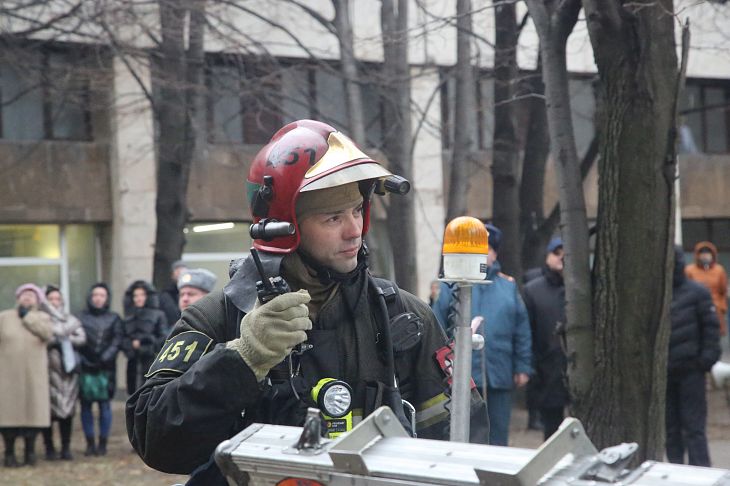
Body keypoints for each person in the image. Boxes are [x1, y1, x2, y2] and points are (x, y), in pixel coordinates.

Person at [126, 119, 488, 484]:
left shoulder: (404, 318)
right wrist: (241, 361)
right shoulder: (218, 318)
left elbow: (462, 443)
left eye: (357, 211)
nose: (354, 231)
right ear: (285, 227)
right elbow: (154, 439)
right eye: (333, 217)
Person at [431, 223, 532, 446]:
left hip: (499, 372)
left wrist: (523, 366)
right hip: (461, 375)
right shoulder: (452, 286)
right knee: (465, 431)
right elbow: (436, 323)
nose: (482, 255)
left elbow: (521, 329)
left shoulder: (508, 286)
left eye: (487, 249)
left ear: (495, 254)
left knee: (497, 434)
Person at [667, 246, 721, 466]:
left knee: (694, 429)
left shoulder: (698, 293)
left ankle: (701, 473)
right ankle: (675, 473)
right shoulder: (654, 296)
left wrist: (704, 362)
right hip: (666, 373)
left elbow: (711, 330)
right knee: (671, 430)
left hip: (692, 372)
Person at [0, 284, 54, 467]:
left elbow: (47, 334)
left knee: (33, 415)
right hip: (8, 376)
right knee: (8, 417)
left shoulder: (43, 318)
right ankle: (9, 452)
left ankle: (30, 452)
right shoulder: (4, 317)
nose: (27, 297)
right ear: (18, 297)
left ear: (38, 300)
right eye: (24, 294)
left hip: (33, 376)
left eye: (31, 294)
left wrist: (27, 317)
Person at [522, 237, 569, 440]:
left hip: (578, 367)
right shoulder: (533, 290)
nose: (561, 258)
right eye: (556, 253)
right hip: (547, 369)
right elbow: (527, 332)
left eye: (566, 253)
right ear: (548, 257)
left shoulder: (583, 288)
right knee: (552, 431)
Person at [78, 283, 123, 456]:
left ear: (107, 298)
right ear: (90, 297)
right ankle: (90, 442)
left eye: (102, 295)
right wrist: (85, 360)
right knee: (86, 406)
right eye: (95, 294)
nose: (98, 298)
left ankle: (103, 443)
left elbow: (117, 340)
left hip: (106, 368)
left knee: (105, 406)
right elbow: (76, 341)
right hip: (85, 367)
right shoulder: (81, 317)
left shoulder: (114, 318)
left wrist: (104, 358)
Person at [42, 286, 86, 461]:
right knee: (47, 413)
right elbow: (42, 339)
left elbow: (82, 338)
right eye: (51, 298)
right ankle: (49, 448)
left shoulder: (70, 319)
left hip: (68, 374)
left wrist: (64, 338)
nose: (54, 302)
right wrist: (56, 339)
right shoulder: (42, 319)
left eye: (57, 298)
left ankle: (66, 447)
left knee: (67, 411)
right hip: (47, 373)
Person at [122, 280, 168, 396]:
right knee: (133, 392)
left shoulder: (158, 315)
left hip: (151, 360)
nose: (139, 298)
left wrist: (147, 343)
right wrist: (130, 346)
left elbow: (163, 337)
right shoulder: (128, 316)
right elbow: (123, 337)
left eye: (142, 295)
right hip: (133, 360)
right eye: (135, 295)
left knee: (149, 392)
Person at [685, 241, 728, 337]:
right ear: (697, 255)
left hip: (715, 309)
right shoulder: (690, 270)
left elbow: (723, 290)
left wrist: (721, 307)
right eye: (702, 254)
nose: (705, 256)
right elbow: (686, 290)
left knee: (714, 338)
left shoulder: (719, 270)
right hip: (695, 309)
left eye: (708, 254)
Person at [159, 260, 188, 327]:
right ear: (172, 275)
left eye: (183, 272)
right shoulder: (165, 295)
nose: (180, 274)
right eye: (178, 272)